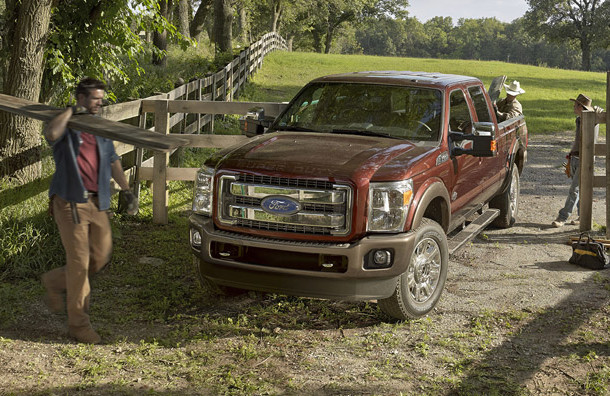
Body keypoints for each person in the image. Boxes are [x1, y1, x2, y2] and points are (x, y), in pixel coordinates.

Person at [41, 77, 138, 344]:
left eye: (100, 98)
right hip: (71, 202)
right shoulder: (68, 126)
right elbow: (50, 134)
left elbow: (113, 160)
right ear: (81, 98)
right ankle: (79, 326)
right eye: (94, 98)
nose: (100, 102)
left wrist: (127, 190)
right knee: (79, 264)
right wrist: (72, 112)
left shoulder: (99, 127)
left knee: (100, 258)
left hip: (99, 203)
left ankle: (55, 281)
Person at [552, 93, 603, 228]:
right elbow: (577, 140)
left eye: (575, 105)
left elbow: (599, 113)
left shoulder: (593, 119)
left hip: (585, 159)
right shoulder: (579, 119)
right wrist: (571, 155)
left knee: (574, 189)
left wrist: (597, 110)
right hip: (575, 157)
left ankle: (562, 217)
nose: (574, 107)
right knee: (579, 189)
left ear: (581, 107)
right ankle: (582, 216)